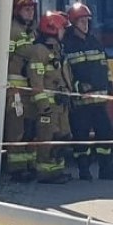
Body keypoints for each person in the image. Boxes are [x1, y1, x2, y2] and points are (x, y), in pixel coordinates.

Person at [62, 3, 113, 181]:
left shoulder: (95, 41)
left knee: (105, 134)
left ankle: (107, 169)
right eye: (81, 21)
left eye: (87, 21)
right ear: (73, 23)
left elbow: (105, 67)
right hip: (80, 103)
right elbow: (65, 73)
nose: (85, 25)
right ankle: (84, 170)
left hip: (98, 100)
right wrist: (78, 87)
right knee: (81, 138)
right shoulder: (67, 46)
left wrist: (110, 85)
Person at [26, 11, 73, 184]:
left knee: (61, 139)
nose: (64, 33)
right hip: (49, 108)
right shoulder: (39, 51)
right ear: (53, 29)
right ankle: (46, 174)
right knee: (47, 140)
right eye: (62, 29)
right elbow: (36, 80)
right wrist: (43, 105)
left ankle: (57, 171)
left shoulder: (57, 49)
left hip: (60, 106)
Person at [4, 0, 40, 182]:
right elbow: (5, 58)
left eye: (32, 9)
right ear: (17, 11)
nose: (30, 12)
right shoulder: (12, 31)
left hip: (29, 89)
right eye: (26, 9)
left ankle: (29, 165)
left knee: (29, 129)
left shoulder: (32, 32)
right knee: (16, 128)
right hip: (15, 90)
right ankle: (16, 169)